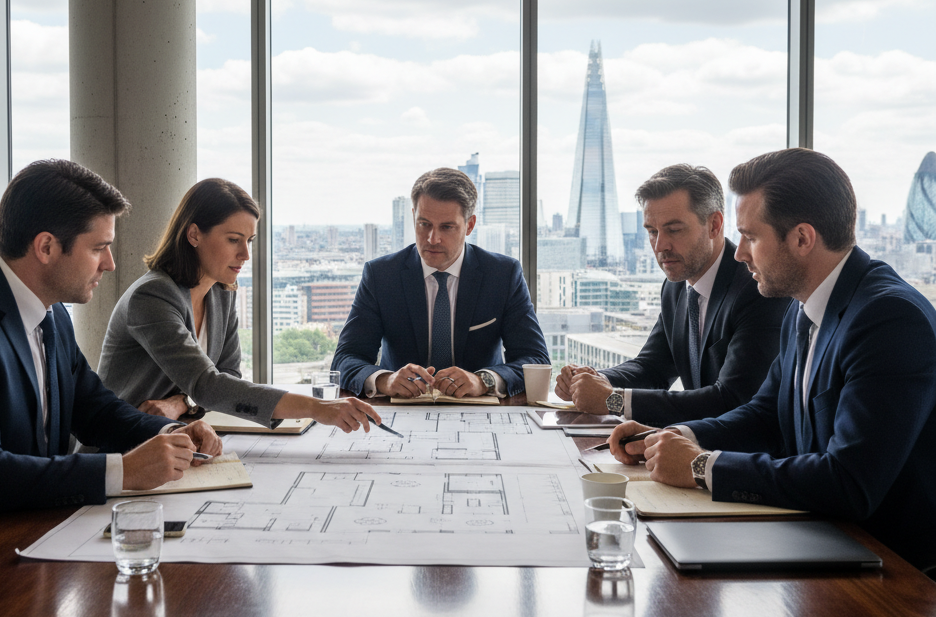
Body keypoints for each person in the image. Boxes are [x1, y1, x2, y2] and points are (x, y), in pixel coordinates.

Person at [610, 148, 936, 570]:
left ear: (802, 238)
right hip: (823, 540)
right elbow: (764, 416)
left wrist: (699, 465)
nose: (740, 253)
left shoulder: (889, 319)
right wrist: (674, 435)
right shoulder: (804, 306)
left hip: (893, 573)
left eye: (751, 237)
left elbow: (849, 482)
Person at [0, 159, 222, 543]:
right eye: (99, 248)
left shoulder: (52, 313)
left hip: (35, 531)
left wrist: (174, 433)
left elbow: (96, 410)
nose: (109, 264)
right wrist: (122, 471)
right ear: (46, 247)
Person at [98, 178, 381, 433]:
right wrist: (315, 407)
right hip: (122, 445)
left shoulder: (221, 293)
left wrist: (181, 402)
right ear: (194, 234)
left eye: (249, 241)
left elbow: (228, 375)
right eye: (234, 239)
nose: (245, 254)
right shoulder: (153, 296)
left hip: (173, 436)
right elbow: (209, 385)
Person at [556, 164, 789, 426]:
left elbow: (732, 399)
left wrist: (614, 400)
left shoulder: (757, 289)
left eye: (674, 230)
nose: (660, 246)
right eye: (652, 231)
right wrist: (591, 380)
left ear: (714, 225)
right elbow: (653, 367)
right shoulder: (676, 285)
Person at [331, 167, 549, 399]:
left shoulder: (503, 275)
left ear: (470, 225)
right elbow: (345, 359)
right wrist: (386, 380)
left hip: (480, 409)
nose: (432, 238)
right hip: (401, 410)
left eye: (446, 227)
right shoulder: (381, 275)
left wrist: (483, 380)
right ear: (414, 216)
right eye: (424, 224)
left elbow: (535, 359)